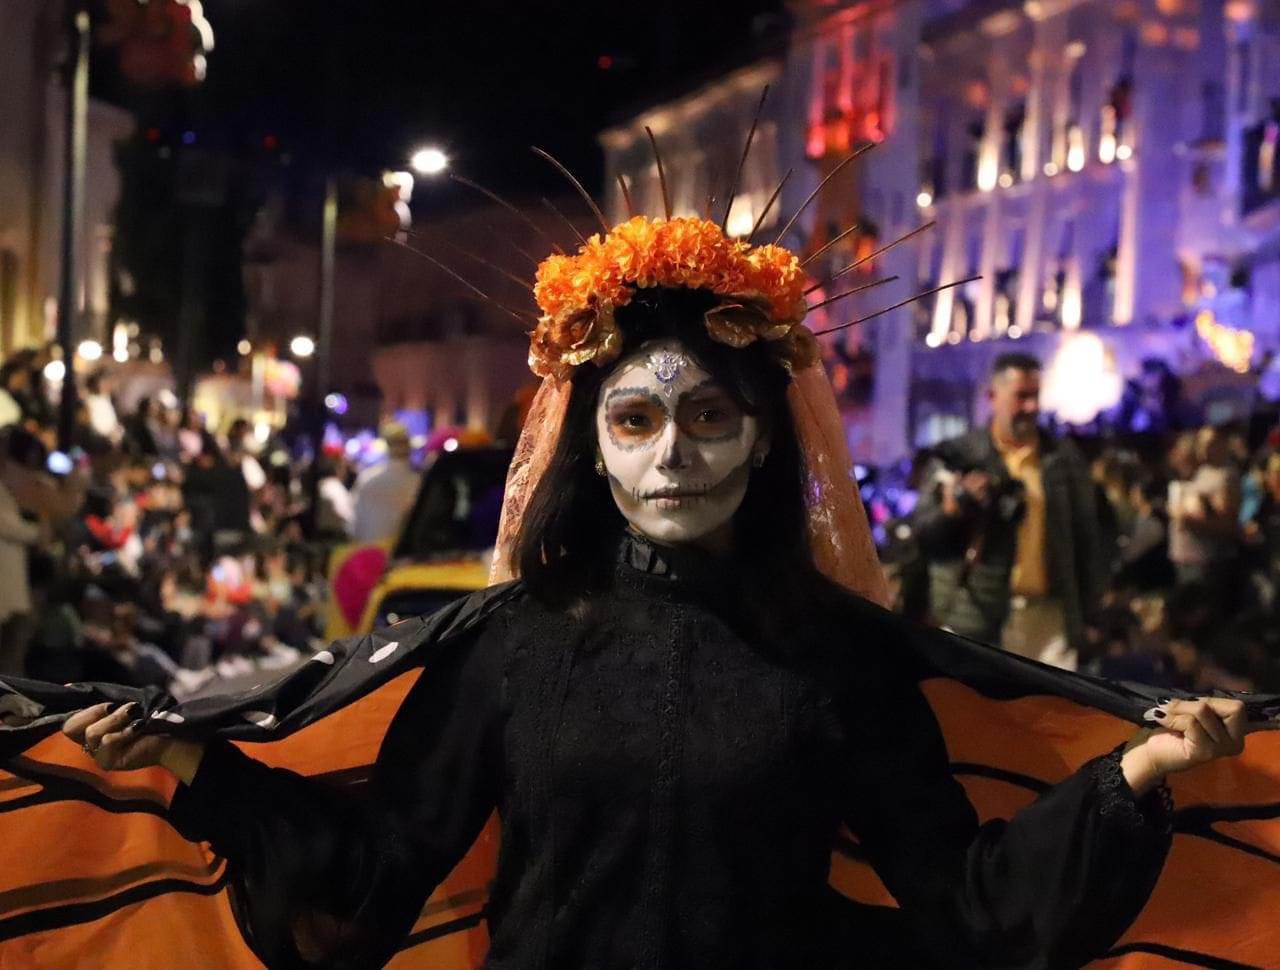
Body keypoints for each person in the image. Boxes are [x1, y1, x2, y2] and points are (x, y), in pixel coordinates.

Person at [2, 173, 1274, 967]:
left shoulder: (838, 650)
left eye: (708, 417)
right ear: (590, 444)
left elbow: (966, 903)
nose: (673, 454)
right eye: (633, 420)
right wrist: (186, 765)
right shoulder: (510, 642)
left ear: (763, 435)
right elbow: (373, 870)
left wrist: (1136, 776)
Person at [913, 353, 1104, 665]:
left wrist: (1091, 613)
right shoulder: (958, 457)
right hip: (976, 619)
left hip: (1049, 622)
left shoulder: (1064, 460)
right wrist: (955, 509)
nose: (1030, 407)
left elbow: (1088, 539)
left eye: (1035, 396)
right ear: (992, 396)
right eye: (1021, 397)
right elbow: (926, 539)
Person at [350, 421, 420, 542]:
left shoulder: (367, 477)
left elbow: (354, 521)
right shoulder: (416, 482)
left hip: (368, 549)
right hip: (399, 553)